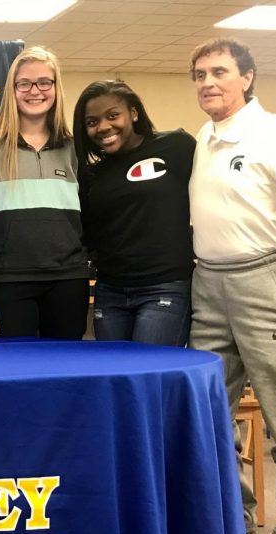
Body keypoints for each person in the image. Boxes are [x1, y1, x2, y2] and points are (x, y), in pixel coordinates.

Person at [188, 37, 276, 534]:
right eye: (200, 74)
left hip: (268, 276)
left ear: (247, 77)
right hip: (207, 282)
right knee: (210, 418)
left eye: (220, 72)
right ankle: (237, 525)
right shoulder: (204, 138)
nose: (208, 82)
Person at [0, 46, 89, 339]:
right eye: (25, 83)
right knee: (11, 375)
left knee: (65, 374)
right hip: (7, 282)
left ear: (56, 87)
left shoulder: (75, 148)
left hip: (68, 280)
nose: (35, 91)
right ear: (13, 89)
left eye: (44, 82)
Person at [73, 80, 195, 346]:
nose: (103, 127)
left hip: (165, 287)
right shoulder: (93, 175)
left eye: (113, 115)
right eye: (92, 122)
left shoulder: (177, 147)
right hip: (110, 291)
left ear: (134, 113)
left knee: (150, 377)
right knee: (115, 377)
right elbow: (90, 233)